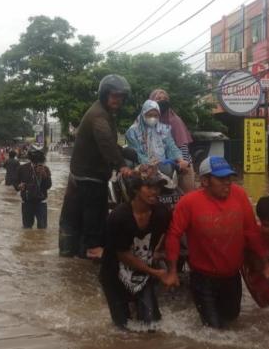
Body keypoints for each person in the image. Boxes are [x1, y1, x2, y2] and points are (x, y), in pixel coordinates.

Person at [164, 156, 269, 329]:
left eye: (229, 178)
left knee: (232, 320)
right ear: (204, 181)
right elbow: (173, 235)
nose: (227, 183)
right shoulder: (188, 203)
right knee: (214, 332)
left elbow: (251, 231)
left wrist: (266, 265)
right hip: (203, 278)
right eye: (221, 179)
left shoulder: (239, 195)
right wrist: (172, 271)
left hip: (232, 276)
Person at [59, 74, 133, 259]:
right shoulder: (99, 116)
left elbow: (106, 142)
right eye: (114, 95)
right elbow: (105, 143)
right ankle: (92, 247)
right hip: (89, 175)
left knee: (77, 214)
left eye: (121, 96)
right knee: (95, 210)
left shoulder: (102, 112)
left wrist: (123, 152)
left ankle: (76, 250)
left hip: (81, 173)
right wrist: (122, 166)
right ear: (104, 95)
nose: (118, 100)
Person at [99, 165, 173, 329]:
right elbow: (123, 255)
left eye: (158, 188)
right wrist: (156, 272)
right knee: (124, 329)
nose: (155, 192)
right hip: (114, 274)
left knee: (152, 327)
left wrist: (159, 251)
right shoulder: (118, 217)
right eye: (149, 187)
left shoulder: (161, 213)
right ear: (136, 189)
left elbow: (171, 233)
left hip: (143, 274)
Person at [149, 89, 195, 192]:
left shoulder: (174, 120)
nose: (162, 101)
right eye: (158, 99)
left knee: (187, 196)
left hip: (181, 166)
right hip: (160, 167)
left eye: (165, 99)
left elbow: (182, 144)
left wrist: (183, 163)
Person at [125, 99, 189, 174]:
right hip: (143, 168)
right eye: (149, 115)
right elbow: (136, 151)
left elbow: (171, 146)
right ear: (143, 114)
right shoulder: (133, 131)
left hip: (163, 167)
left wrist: (180, 160)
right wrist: (149, 163)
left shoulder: (164, 129)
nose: (153, 118)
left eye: (156, 115)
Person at [14, 148, 52, 229]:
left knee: (42, 228)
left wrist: (44, 175)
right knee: (27, 228)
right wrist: (19, 186)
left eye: (39, 161)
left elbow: (48, 185)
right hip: (27, 202)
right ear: (31, 160)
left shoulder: (45, 169)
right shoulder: (22, 168)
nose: (37, 164)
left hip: (41, 202)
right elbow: (15, 183)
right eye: (35, 162)